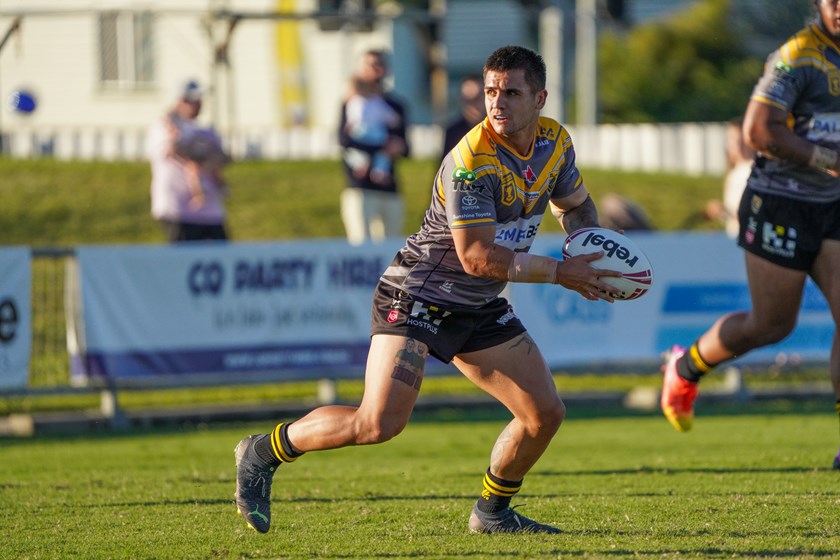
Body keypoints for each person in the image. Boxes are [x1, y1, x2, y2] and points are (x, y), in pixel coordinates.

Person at [234, 45, 623, 535]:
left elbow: (576, 206)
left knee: (543, 414)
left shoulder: (555, 143)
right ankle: (261, 451)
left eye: (511, 92)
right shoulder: (471, 161)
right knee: (378, 423)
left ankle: (492, 512)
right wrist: (560, 272)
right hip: (417, 296)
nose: (497, 103)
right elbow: (476, 257)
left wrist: (594, 244)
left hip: (477, 303)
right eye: (490, 91)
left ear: (540, 97)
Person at [660, 0, 840, 470]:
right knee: (773, 325)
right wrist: (828, 160)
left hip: (835, 204)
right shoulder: (799, 56)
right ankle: (684, 368)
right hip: (781, 202)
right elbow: (757, 130)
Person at [338, 49, 409, 245]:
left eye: (380, 64)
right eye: (370, 65)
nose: (375, 70)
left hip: (389, 187)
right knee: (361, 246)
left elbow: (405, 147)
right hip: (360, 187)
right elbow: (344, 140)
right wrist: (383, 145)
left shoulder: (395, 105)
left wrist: (395, 148)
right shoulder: (351, 102)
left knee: (391, 250)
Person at [146, 79, 231, 242]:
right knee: (183, 263)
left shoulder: (204, 131)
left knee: (222, 260)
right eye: (192, 100)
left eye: (199, 100)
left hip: (211, 212)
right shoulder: (163, 128)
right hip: (179, 210)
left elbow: (221, 158)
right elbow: (173, 150)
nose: (198, 104)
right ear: (180, 101)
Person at [703, 117, 756, 238]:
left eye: (740, 138)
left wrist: (724, 211)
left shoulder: (756, 171)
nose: (736, 144)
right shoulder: (733, 173)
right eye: (732, 139)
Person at [440, 74, 486, 160]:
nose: (472, 105)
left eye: (477, 98)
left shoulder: (499, 129)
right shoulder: (453, 132)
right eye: (467, 99)